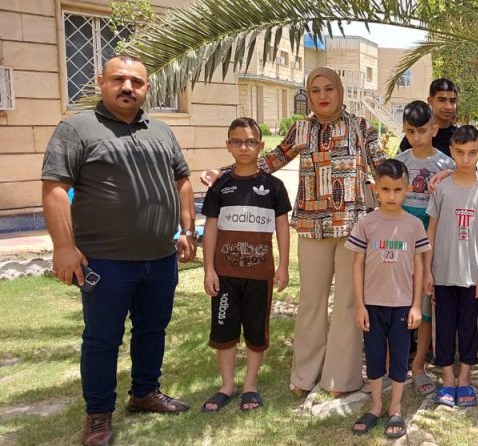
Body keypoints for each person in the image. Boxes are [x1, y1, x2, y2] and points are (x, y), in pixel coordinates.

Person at [200, 67, 387, 399]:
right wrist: (224, 172)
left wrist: (428, 174)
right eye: (315, 90)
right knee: (311, 303)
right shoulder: (301, 129)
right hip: (312, 226)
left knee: (347, 303)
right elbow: (269, 161)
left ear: (340, 91)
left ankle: (340, 379)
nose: (323, 95)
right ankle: (305, 374)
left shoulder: (361, 127)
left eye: (329, 88)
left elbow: (384, 167)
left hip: (354, 228)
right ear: (309, 95)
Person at [41, 55, 195, 446]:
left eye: (136, 82)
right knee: (102, 339)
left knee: (152, 330)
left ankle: (145, 392)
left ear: (147, 88)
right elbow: (55, 188)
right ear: (101, 82)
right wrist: (64, 248)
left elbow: (181, 180)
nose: (128, 87)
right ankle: (98, 416)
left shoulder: (161, 131)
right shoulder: (76, 129)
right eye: (119, 79)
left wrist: (186, 229)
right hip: (105, 262)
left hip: (160, 258)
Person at [199, 118, 291, 413]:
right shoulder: (220, 186)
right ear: (228, 146)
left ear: (261, 146)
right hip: (225, 275)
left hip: (259, 275)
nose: (244, 147)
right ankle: (226, 386)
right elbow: (210, 229)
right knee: (224, 331)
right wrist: (209, 269)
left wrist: (283, 266)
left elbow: (283, 228)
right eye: (237, 142)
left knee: (255, 331)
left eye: (251, 142)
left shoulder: (273, 187)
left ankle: (250, 385)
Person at [348, 159, 430, 439]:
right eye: (385, 189)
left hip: (402, 306)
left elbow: (419, 266)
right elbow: (357, 265)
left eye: (397, 189)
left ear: (407, 189)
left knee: (398, 358)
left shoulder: (414, 225)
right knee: (373, 357)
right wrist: (360, 306)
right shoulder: (366, 223)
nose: (392, 195)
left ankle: (395, 407)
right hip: (372, 305)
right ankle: (375, 406)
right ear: (376, 190)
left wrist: (416, 305)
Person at [424, 125, 478, 407]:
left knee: (470, 329)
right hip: (443, 274)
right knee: (444, 327)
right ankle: (448, 378)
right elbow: (431, 230)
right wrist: (428, 270)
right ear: (452, 152)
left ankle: (465, 378)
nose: (466, 158)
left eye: (472, 152)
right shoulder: (442, 188)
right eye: (460, 152)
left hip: (473, 276)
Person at [394, 100, 455, 396]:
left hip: (432, 243)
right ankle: (395, 363)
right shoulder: (399, 162)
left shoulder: (446, 164)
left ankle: (419, 365)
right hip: (401, 241)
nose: (416, 137)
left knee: (425, 305)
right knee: (398, 301)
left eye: (422, 131)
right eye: (410, 131)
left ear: (434, 129)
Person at [399, 78, 459, 157]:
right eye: (442, 100)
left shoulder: (460, 136)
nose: (448, 107)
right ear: (430, 101)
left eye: (452, 101)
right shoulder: (416, 137)